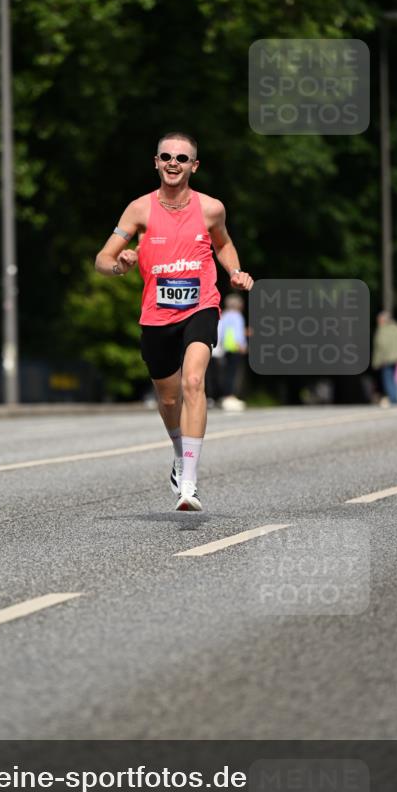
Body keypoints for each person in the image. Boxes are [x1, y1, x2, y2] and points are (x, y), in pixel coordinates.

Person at [95, 132, 254, 511]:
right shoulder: (139, 210)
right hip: (156, 314)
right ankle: (179, 451)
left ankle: (190, 484)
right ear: (155, 162)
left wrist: (233, 270)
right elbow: (102, 258)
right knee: (168, 398)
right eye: (166, 156)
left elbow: (223, 243)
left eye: (181, 158)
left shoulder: (211, 208)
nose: (173, 163)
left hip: (201, 305)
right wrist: (120, 266)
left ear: (193, 166)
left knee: (194, 381)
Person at [211, 293, 248, 411]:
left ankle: (223, 396)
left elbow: (221, 331)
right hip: (234, 348)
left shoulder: (224, 315)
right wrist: (241, 345)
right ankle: (229, 396)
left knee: (225, 373)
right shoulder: (237, 316)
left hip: (225, 348)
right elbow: (237, 332)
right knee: (232, 373)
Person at [371, 310, 397, 405]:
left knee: (388, 380)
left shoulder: (381, 330)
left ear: (383, 320)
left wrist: (375, 362)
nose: (378, 322)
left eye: (379, 320)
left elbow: (379, 347)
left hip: (386, 360)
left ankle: (394, 399)